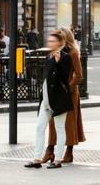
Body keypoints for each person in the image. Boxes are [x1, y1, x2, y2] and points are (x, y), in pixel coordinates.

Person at [25, 30, 75, 168]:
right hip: (46, 99)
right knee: (39, 127)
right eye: (49, 41)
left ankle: (58, 159)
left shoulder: (65, 57)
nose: (50, 43)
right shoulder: (49, 56)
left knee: (60, 128)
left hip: (59, 99)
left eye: (53, 41)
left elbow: (64, 78)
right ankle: (36, 159)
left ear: (60, 43)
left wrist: (58, 63)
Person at [44, 27, 86, 164]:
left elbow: (79, 76)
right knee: (53, 123)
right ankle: (50, 150)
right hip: (55, 92)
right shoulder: (54, 52)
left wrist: (68, 88)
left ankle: (69, 152)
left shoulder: (73, 52)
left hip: (69, 93)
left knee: (69, 124)